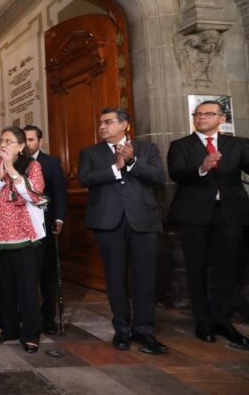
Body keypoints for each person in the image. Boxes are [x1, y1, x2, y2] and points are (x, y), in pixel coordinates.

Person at [78, 107, 168, 354]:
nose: (102, 127)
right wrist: (116, 168)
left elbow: (158, 177)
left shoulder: (146, 149)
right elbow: (85, 179)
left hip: (143, 220)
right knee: (115, 277)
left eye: (108, 122)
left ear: (124, 125)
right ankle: (122, 329)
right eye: (100, 123)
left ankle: (144, 330)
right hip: (108, 222)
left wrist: (132, 162)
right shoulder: (90, 152)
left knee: (145, 277)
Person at [168, 100, 249, 349]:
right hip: (194, 215)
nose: (201, 117)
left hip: (231, 214)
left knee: (227, 269)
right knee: (197, 268)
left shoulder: (238, 144)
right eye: (198, 114)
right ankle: (203, 321)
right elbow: (176, 173)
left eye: (208, 114)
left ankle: (223, 320)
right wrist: (201, 168)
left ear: (222, 119)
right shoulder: (181, 145)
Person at [0, 126, 46, 353]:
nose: (3, 144)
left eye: (9, 141)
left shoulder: (33, 166)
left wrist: (11, 171)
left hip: (25, 238)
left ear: (21, 146)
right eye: (1, 140)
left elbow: (33, 195)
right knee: (3, 289)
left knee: (27, 289)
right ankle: (10, 330)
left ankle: (31, 334)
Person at [23, 125, 67, 335]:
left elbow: (59, 192)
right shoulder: (17, 163)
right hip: (22, 226)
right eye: (25, 139)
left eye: (32, 139)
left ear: (40, 141)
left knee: (48, 274)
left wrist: (59, 218)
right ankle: (26, 315)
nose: (28, 143)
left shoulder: (50, 163)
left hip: (45, 224)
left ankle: (48, 317)